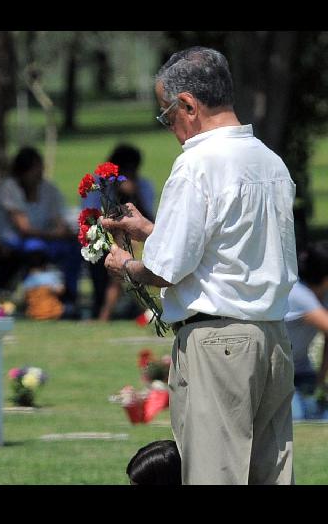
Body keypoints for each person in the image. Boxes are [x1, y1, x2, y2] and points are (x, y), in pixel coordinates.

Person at [102, 47, 297, 484]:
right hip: (272, 338)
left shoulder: (196, 164)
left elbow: (166, 271)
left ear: (189, 104)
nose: (170, 127)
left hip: (219, 341)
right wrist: (154, 231)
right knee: (269, 475)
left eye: (167, 115)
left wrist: (124, 265)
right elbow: (229, 250)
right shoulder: (270, 161)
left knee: (216, 475)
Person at [0, 146, 81, 314]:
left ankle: (69, 295)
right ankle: (35, 296)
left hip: (45, 238)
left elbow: (58, 219)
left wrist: (63, 230)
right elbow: (24, 228)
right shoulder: (10, 189)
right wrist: (55, 234)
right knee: (35, 248)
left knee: (73, 249)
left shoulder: (49, 190)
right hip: (15, 240)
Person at [83, 144, 155, 321]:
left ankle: (106, 313)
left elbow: (148, 218)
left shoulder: (143, 185)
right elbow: (90, 216)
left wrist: (134, 195)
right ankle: (102, 306)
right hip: (101, 237)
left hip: (133, 240)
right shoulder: (99, 185)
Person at [285, 241, 328, 421]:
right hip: (281, 375)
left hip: (303, 372)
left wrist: (321, 377)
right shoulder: (298, 294)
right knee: (299, 418)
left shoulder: (323, 295)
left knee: (320, 415)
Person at [22, 247, 64, 320]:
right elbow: (60, 290)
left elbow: (25, 297)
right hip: (53, 313)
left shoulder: (28, 279)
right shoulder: (51, 276)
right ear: (45, 264)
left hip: (34, 313)